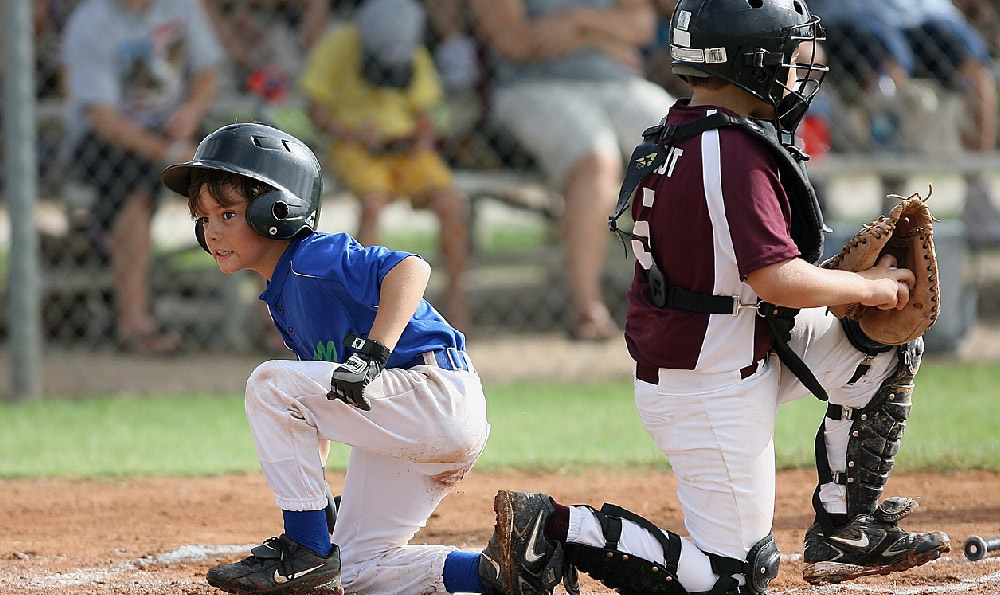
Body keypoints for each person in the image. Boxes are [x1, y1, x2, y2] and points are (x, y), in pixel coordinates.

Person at [477, 1, 951, 593]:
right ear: (748, 65)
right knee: (732, 577)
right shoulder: (731, 152)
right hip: (707, 381)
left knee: (881, 352)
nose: (795, 70)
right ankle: (555, 528)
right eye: (784, 56)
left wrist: (853, 289)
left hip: (737, 342)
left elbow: (744, 269)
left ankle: (845, 531)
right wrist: (867, 287)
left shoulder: (686, 126)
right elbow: (776, 278)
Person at [160, 122, 497, 595]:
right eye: (204, 219)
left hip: (431, 394)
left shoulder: (312, 258)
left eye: (228, 214)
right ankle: (494, 573)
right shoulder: (284, 295)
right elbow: (306, 415)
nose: (211, 231)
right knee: (358, 569)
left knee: (268, 382)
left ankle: (305, 552)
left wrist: (373, 354)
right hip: (411, 421)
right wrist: (315, 503)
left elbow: (410, 268)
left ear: (276, 209)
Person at [467, 0, 675, 341]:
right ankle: (588, 309)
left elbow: (641, 26)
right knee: (594, 157)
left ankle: (691, 294)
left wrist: (576, 23)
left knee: (686, 146)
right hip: (533, 88)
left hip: (620, 83)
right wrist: (605, 35)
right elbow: (516, 42)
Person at [60, 0, 225, 354]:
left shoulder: (180, 8)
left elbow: (208, 73)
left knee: (239, 180)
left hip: (173, 127)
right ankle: (133, 323)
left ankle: (273, 316)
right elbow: (101, 117)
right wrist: (166, 153)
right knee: (133, 191)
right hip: (109, 139)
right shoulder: (91, 21)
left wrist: (192, 111)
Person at [299, 0, 470, 332]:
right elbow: (314, 108)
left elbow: (425, 113)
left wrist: (421, 133)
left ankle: (457, 303)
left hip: (404, 149)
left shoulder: (412, 49)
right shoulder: (339, 43)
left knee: (450, 203)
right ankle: (363, 305)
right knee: (373, 202)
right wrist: (351, 132)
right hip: (354, 146)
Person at [807, 0, 1000, 246]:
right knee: (886, 50)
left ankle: (977, 188)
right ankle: (891, 198)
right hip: (863, 17)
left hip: (919, 17)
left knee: (971, 56)